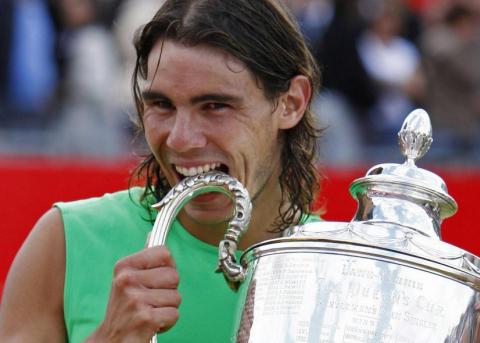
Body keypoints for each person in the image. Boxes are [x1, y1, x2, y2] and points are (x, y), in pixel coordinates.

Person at [0, 0, 322, 341]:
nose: (181, 139)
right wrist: (109, 337)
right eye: (161, 105)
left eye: (215, 106)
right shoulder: (66, 241)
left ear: (291, 103)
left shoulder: (343, 270)